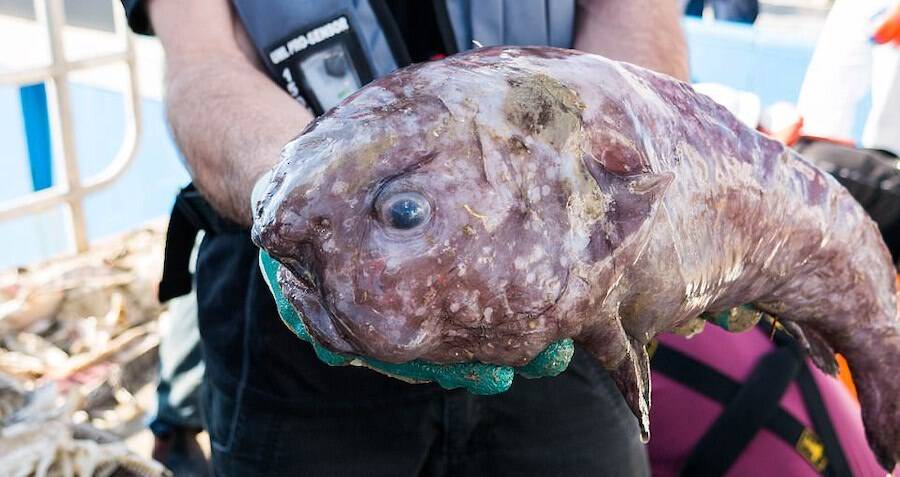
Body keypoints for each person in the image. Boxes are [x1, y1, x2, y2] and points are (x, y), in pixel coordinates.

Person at [122, 1, 688, 475]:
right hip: (298, 305)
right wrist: (296, 191)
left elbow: (633, 19)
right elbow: (202, 60)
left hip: (568, 288)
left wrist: (588, 223)